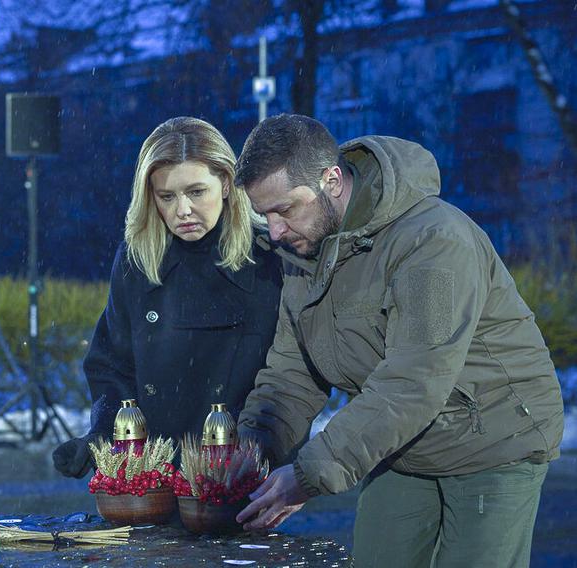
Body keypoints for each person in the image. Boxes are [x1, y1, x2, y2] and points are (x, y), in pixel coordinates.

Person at [234, 114, 564, 567]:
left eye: (285, 210)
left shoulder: (431, 240)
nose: (274, 231)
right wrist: (254, 450)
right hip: (404, 445)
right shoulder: (304, 251)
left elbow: (413, 381)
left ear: (331, 180)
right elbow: (294, 371)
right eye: (264, 214)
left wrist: (311, 473)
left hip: (494, 439)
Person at [53, 117, 283, 478]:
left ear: (225, 182)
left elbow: (286, 375)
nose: (183, 211)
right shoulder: (137, 259)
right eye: (166, 196)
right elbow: (111, 365)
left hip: (241, 473)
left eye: (196, 192)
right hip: (151, 476)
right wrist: (103, 435)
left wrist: (260, 451)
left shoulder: (269, 258)